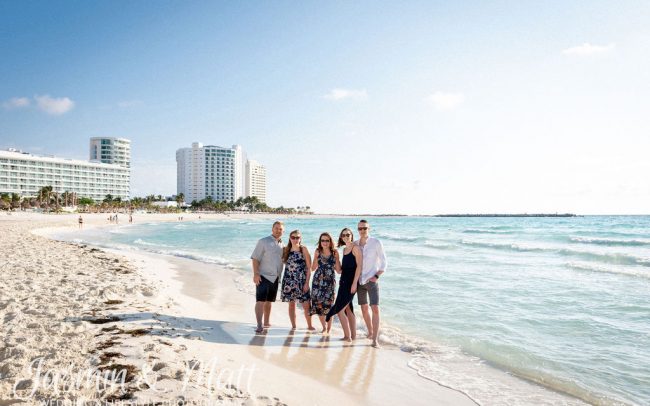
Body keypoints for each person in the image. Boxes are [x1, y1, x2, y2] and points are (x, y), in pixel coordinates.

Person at [326, 228, 362, 341]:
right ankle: (353, 336)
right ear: (341, 237)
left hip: (351, 283)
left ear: (352, 235)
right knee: (348, 310)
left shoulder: (356, 248)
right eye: (344, 235)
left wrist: (355, 283)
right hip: (343, 282)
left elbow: (359, 267)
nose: (346, 236)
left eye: (348, 234)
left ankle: (347, 336)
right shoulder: (344, 250)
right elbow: (341, 270)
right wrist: (336, 258)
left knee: (340, 310)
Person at [355, 219, 387, 348]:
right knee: (363, 308)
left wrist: (377, 276)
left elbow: (384, 261)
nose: (362, 230)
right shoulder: (355, 244)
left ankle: (375, 340)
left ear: (369, 229)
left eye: (365, 228)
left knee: (375, 308)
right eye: (360, 228)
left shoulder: (376, 242)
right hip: (359, 281)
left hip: (371, 280)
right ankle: (370, 332)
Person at [251, 221, 285, 333]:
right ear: (272, 229)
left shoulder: (282, 244)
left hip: (275, 277)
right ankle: (259, 324)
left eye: (280, 229)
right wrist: (256, 273)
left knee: (269, 302)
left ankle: (266, 322)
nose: (278, 230)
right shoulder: (263, 241)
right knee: (260, 301)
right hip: (263, 276)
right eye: (276, 228)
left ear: (283, 231)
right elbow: (255, 258)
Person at [281, 230, 314, 330]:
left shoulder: (303, 249)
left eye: (297, 237)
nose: (295, 239)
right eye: (293, 237)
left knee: (306, 305)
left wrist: (307, 283)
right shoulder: (286, 249)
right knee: (291, 305)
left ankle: (309, 326)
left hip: (301, 282)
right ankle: (294, 326)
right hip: (288, 281)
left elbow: (309, 268)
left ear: (300, 238)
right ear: (290, 238)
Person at [310, 232, 341, 334]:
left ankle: (329, 329)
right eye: (322, 240)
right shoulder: (317, 251)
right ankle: (324, 327)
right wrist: (315, 257)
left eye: (327, 240)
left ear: (330, 241)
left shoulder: (334, 252)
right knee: (319, 305)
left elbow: (338, 270)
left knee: (329, 306)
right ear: (320, 242)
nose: (325, 242)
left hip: (329, 283)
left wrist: (337, 259)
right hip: (317, 282)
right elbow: (313, 268)